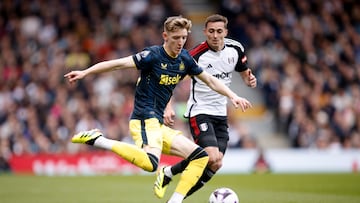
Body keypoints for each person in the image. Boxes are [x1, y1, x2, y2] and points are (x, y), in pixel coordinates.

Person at [64, 16, 252, 203]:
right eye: (176, 37)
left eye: (184, 38)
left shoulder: (185, 59)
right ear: (165, 36)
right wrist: (85, 72)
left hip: (158, 124)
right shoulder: (152, 56)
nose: (180, 42)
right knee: (151, 164)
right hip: (143, 118)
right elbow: (117, 64)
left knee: (200, 157)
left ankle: (175, 200)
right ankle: (99, 140)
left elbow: (210, 80)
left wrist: (233, 96)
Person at [154, 14, 257, 199]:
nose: (215, 35)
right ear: (205, 32)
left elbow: (244, 72)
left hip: (221, 113)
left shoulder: (236, 49)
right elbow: (171, 81)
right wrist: (168, 106)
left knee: (216, 164)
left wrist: (250, 80)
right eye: (211, 31)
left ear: (225, 32)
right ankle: (174, 193)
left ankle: (171, 178)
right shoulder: (195, 55)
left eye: (219, 31)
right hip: (200, 111)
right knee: (210, 157)